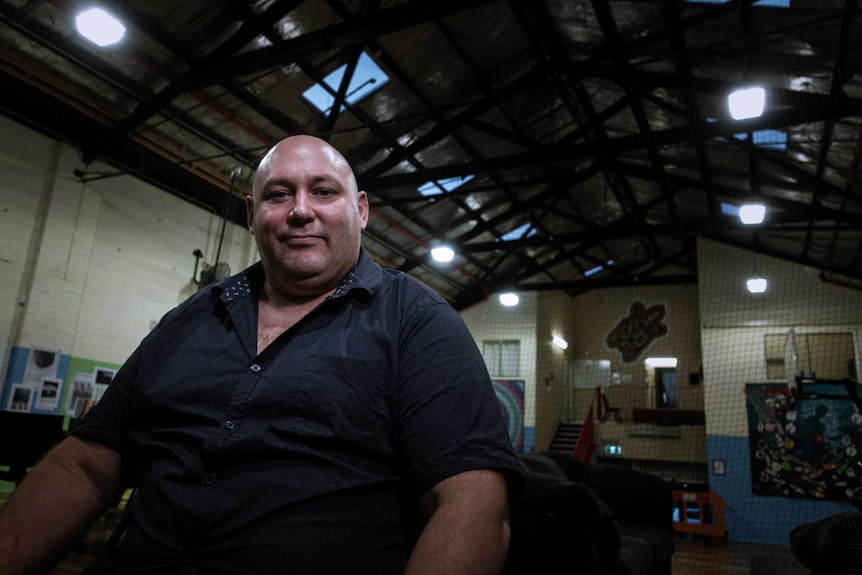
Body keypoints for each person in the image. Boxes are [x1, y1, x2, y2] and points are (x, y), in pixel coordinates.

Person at [0, 135, 525, 575]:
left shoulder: (418, 321)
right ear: (252, 215)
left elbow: (472, 502)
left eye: (323, 191)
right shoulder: (189, 320)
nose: (300, 210)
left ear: (360, 211)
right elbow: (85, 465)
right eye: (279, 194)